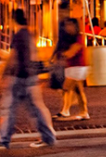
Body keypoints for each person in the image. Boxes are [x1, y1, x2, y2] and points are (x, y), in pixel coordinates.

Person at [0, 9, 56, 149]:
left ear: (12, 20)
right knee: (35, 109)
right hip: (30, 77)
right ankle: (48, 137)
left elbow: (13, 58)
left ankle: (4, 140)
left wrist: (5, 75)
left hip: (19, 77)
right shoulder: (29, 35)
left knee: (10, 109)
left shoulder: (19, 35)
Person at [54, 18, 90, 121]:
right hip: (73, 67)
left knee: (66, 88)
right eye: (66, 25)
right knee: (78, 91)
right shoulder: (69, 38)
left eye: (70, 25)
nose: (68, 27)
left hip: (78, 67)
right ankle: (84, 112)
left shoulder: (78, 37)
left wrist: (64, 55)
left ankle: (65, 111)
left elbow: (74, 51)